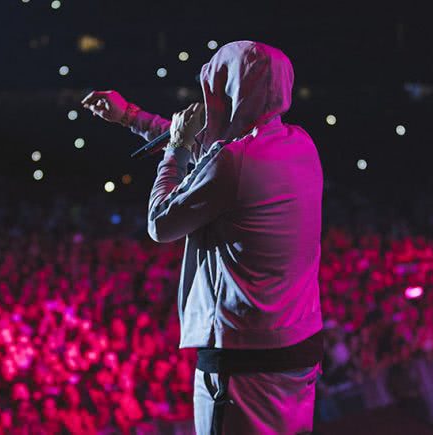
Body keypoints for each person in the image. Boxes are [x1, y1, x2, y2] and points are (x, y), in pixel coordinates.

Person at [83, 40, 324, 434]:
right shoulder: (299, 144)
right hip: (298, 348)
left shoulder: (233, 163)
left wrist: (175, 149)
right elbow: (215, 157)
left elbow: (161, 223)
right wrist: (131, 117)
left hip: (244, 361)